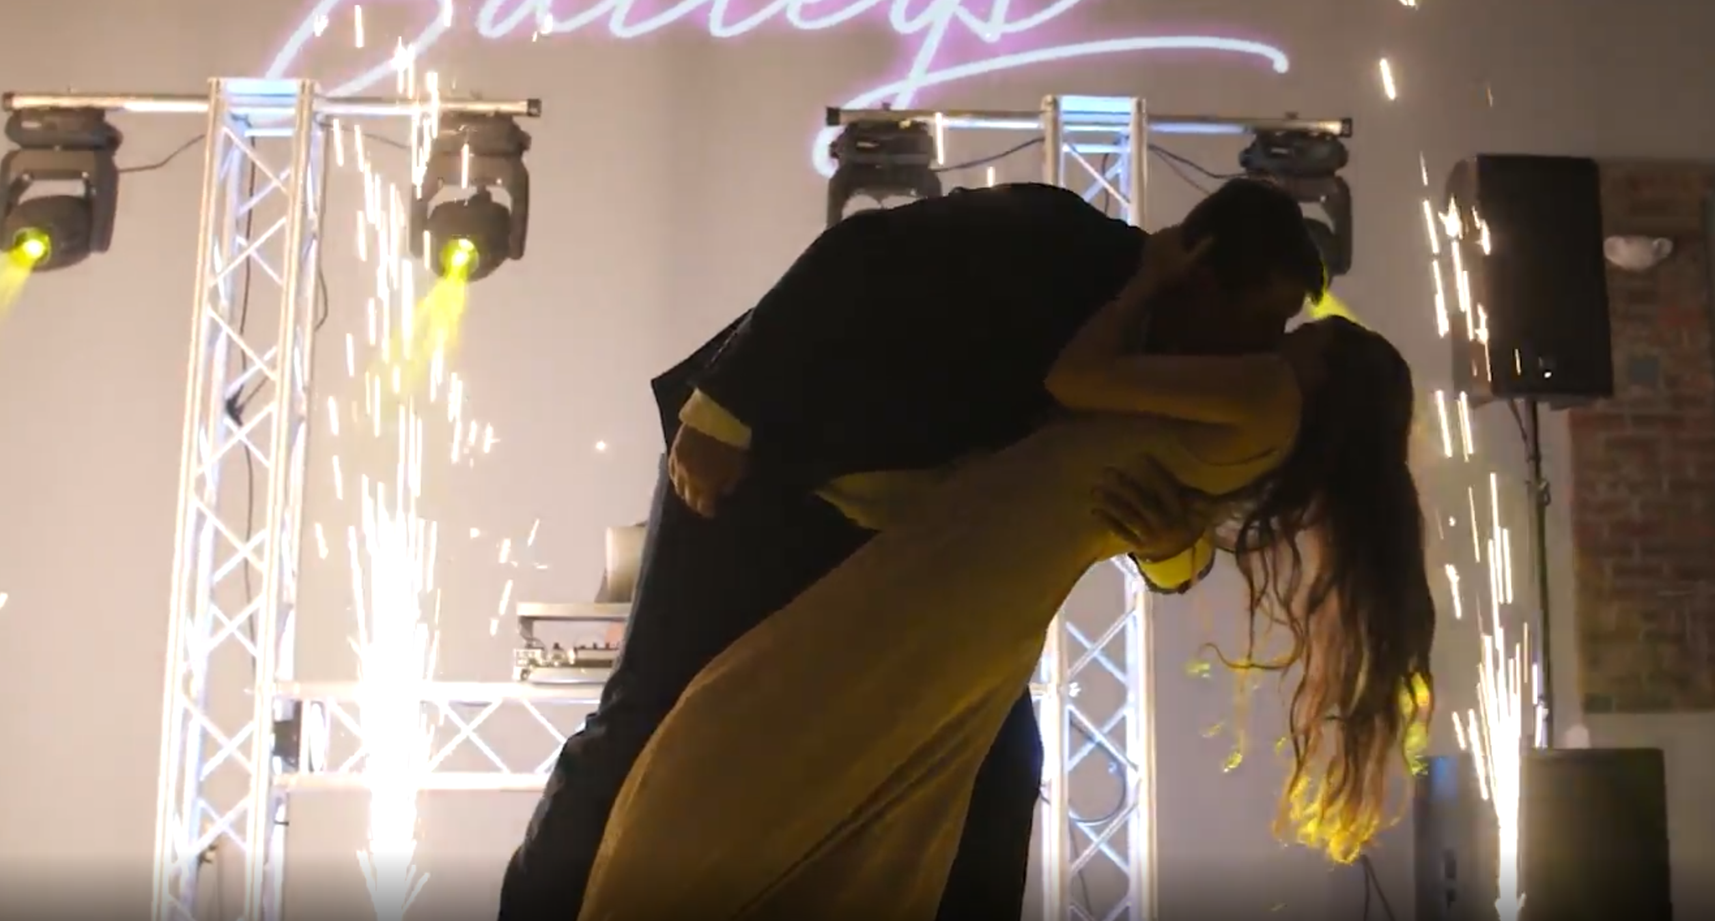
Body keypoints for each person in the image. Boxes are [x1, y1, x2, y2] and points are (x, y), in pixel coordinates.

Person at [498, 179, 1329, 921]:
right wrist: (725, 405)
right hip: (771, 479)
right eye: (1259, 317)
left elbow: (1165, 513)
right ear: (1198, 265)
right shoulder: (1049, 236)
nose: (1261, 346)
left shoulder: (1170, 372)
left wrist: (1171, 552)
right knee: (644, 714)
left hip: (911, 574)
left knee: (1000, 774)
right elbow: (858, 253)